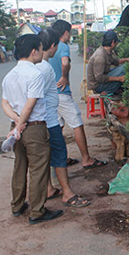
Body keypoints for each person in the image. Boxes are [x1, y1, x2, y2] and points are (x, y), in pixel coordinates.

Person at [1, 34, 63, 224]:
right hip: (33, 127)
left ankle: (17, 205)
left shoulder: (9, 75)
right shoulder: (34, 74)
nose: (42, 52)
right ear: (34, 51)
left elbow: (4, 103)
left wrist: (16, 123)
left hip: (17, 127)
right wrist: (22, 123)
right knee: (38, 168)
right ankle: (37, 210)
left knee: (19, 166)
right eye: (41, 49)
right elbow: (30, 103)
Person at [37, 29, 90, 208]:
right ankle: (67, 193)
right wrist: (65, 77)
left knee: (45, 155)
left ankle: (49, 188)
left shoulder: (32, 67)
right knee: (59, 154)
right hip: (48, 119)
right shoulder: (44, 68)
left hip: (41, 120)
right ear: (53, 46)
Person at [49, 19, 107, 169]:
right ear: (66, 32)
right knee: (77, 125)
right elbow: (65, 62)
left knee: (58, 127)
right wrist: (64, 76)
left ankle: (61, 158)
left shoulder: (49, 46)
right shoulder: (62, 46)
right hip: (62, 93)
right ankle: (86, 158)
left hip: (51, 94)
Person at [87, 30, 129, 94]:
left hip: (102, 79)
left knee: (122, 70)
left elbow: (115, 61)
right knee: (125, 68)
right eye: (116, 42)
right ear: (113, 42)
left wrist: (127, 59)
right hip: (97, 86)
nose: (117, 44)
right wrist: (119, 78)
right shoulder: (100, 56)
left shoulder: (106, 51)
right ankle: (107, 92)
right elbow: (99, 78)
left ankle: (114, 91)